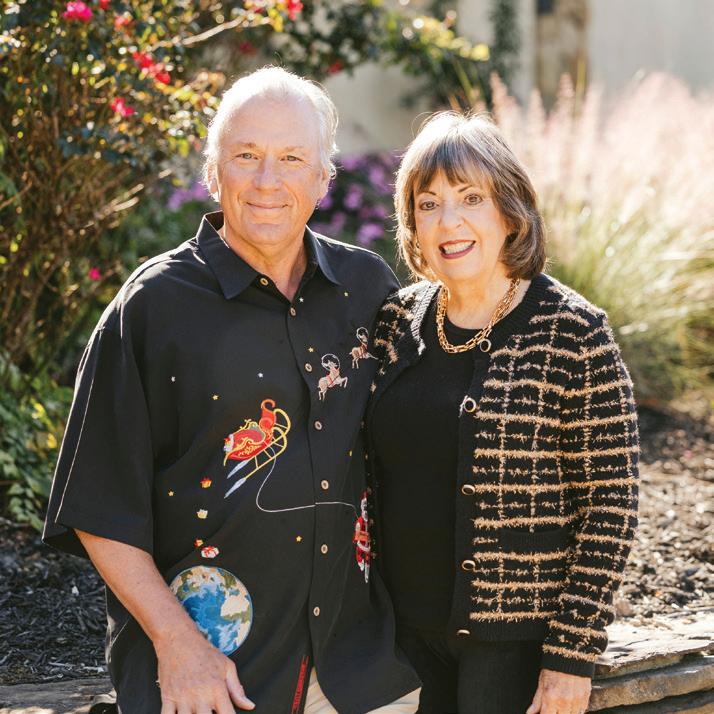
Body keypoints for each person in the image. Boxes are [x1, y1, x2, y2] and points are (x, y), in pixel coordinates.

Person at [43, 66, 421, 714]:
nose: (268, 180)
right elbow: (99, 508)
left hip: (362, 671)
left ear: (323, 179)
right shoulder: (152, 308)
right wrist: (178, 644)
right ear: (214, 174)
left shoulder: (368, 288)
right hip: (210, 676)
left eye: (291, 158)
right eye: (246, 156)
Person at [365, 112, 639, 714]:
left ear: (510, 212)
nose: (449, 221)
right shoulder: (396, 321)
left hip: (511, 647)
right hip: (399, 639)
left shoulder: (573, 332)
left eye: (471, 198)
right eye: (429, 204)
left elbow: (611, 504)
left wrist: (571, 655)